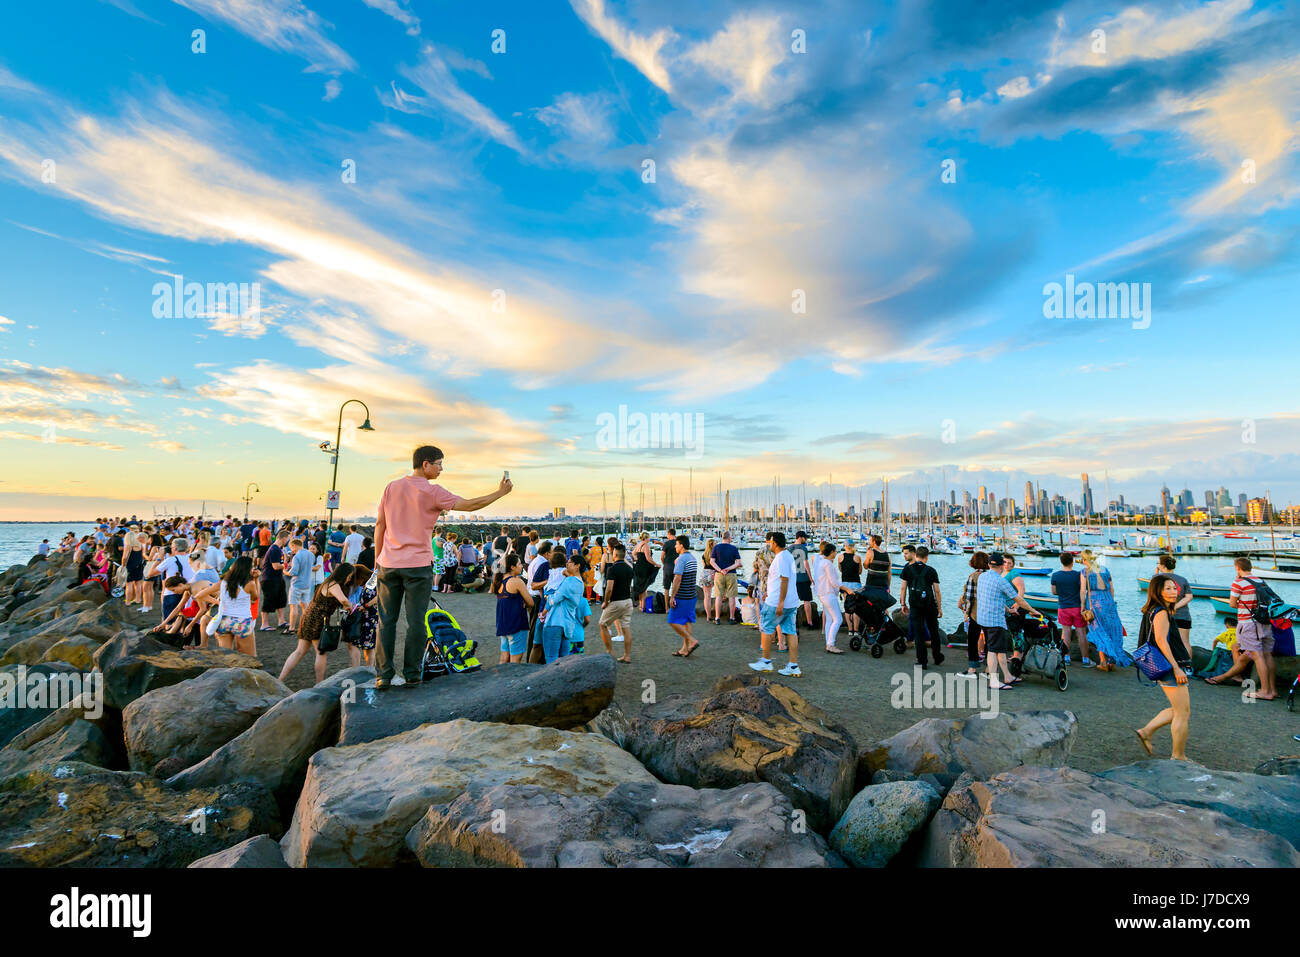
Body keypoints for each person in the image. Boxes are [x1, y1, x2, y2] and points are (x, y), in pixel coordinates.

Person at [373, 445, 513, 689]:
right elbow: (470, 505)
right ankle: (412, 674)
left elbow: (379, 525)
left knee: (386, 621)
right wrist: (499, 493)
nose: (441, 468)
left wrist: (378, 559)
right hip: (417, 566)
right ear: (425, 464)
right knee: (416, 622)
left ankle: (383, 676)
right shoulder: (432, 491)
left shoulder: (391, 487)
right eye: (439, 463)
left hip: (388, 564)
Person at [1133, 575, 1192, 760]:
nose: (1174, 592)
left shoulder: (1152, 610)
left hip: (1162, 666)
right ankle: (1178, 757)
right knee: (1183, 713)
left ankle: (1146, 732)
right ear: (1158, 591)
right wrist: (1176, 668)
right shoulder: (1161, 612)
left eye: (1174, 588)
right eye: (1168, 588)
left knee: (1179, 709)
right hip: (1169, 667)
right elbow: (1160, 641)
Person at [280, 563, 354, 686]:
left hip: (309, 616)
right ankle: (319, 684)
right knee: (320, 652)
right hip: (317, 619)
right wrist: (350, 607)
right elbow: (343, 600)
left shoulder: (327, 582)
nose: (350, 579)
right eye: (350, 576)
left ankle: (280, 679)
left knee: (299, 651)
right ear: (344, 574)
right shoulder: (333, 584)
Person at [976, 552, 1037, 690]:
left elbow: (991, 597)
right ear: (1002, 566)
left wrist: (1008, 610)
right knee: (993, 650)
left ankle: (1007, 676)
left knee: (1000, 650)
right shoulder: (1001, 581)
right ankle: (994, 681)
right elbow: (1018, 599)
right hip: (994, 620)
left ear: (988, 565)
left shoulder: (982, 577)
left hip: (983, 617)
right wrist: (1033, 610)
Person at [749, 531, 802, 676]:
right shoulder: (787, 556)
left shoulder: (781, 558)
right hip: (789, 601)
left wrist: (780, 602)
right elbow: (780, 580)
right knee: (790, 631)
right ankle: (793, 665)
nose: (769, 544)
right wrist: (769, 592)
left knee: (765, 627)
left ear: (775, 543)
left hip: (779, 602)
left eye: (771, 542)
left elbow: (784, 580)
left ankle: (766, 662)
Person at [1228, 557, 1277, 700]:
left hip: (1249, 623)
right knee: (1267, 655)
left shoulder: (1238, 582)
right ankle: (1273, 690)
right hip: (1265, 622)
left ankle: (1265, 691)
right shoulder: (1261, 581)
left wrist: (1243, 605)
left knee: (1257, 656)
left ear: (1237, 568)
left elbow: (1232, 603)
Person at [1080, 550, 1126, 670]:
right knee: (1112, 630)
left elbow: (1082, 591)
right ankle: (1113, 662)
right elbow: (1112, 589)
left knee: (1098, 631)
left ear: (1085, 560)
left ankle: (1103, 662)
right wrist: (1111, 602)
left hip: (1095, 603)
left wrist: (1082, 606)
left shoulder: (1084, 572)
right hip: (1109, 601)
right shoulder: (1105, 570)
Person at [900, 545, 943, 667]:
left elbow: (903, 588)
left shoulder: (907, 570)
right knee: (934, 631)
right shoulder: (931, 570)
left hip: (915, 606)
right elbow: (937, 591)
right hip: (929, 605)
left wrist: (903, 603)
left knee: (918, 633)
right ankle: (937, 657)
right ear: (926, 557)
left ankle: (922, 661)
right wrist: (939, 607)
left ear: (916, 555)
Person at [540, 553, 585, 663]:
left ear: (577, 565)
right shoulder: (580, 583)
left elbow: (553, 600)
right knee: (564, 658)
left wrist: (547, 596)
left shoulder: (569, 581)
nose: (567, 564)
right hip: (568, 623)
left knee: (551, 657)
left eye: (569, 562)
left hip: (555, 621)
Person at [211, 555, 259, 656]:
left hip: (224, 620)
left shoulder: (224, 582)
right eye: (252, 567)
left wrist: (216, 602)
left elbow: (201, 594)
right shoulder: (249, 583)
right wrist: (256, 579)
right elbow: (255, 599)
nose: (253, 569)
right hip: (242, 621)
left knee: (226, 657)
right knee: (249, 657)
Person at [1051, 552, 1093, 666]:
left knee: (1065, 633)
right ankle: (1085, 659)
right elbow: (1083, 589)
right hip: (1078, 607)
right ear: (1072, 562)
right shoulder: (1078, 575)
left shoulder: (1055, 575)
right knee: (1081, 633)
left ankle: (1066, 657)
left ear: (1061, 561)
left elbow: (1054, 591)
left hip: (1063, 607)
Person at [493, 553, 534, 664]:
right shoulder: (517, 582)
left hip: (503, 624)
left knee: (504, 658)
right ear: (512, 567)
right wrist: (524, 602)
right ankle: (512, 681)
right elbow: (531, 602)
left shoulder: (499, 581)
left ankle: (499, 680)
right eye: (519, 564)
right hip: (516, 624)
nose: (521, 566)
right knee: (515, 660)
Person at [599, 541, 634, 662]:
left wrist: (605, 601)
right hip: (628, 601)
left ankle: (610, 651)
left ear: (615, 555)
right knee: (626, 627)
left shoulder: (612, 569)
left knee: (602, 624)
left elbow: (609, 588)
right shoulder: (629, 569)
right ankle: (627, 656)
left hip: (616, 602)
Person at [1155, 554, 1194, 663]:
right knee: (1185, 641)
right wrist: (1175, 606)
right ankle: (1188, 667)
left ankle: (1165, 665)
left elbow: (1153, 592)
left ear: (1162, 566)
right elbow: (1189, 597)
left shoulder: (1157, 578)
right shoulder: (1183, 579)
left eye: (1158, 564)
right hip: (1183, 615)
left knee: (1163, 641)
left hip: (1163, 615)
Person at [814, 541, 849, 654]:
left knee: (829, 619)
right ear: (832, 552)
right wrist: (847, 589)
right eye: (835, 551)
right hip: (828, 594)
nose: (836, 553)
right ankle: (831, 644)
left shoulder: (821, 562)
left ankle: (828, 643)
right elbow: (834, 582)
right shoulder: (828, 564)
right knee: (838, 619)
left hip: (823, 593)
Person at [668, 535, 700, 658]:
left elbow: (677, 578)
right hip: (692, 595)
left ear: (681, 545)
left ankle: (692, 640)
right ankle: (685, 649)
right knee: (686, 621)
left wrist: (672, 596)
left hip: (682, 596)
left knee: (672, 620)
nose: (675, 546)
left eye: (676, 544)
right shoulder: (692, 558)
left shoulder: (681, 559)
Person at [957, 551, 988, 676]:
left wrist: (966, 612)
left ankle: (972, 669)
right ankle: (989, 670)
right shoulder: (991, 575)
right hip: (988, 612)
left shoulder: (973, 576)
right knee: (989, 641)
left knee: (972, 640)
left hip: (975, 613)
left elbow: (969, 597)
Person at [346, 565, 378, 668]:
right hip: (367, 618)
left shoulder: (374, 582)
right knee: (367, 646)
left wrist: (366, 605)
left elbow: (380, 596)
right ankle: (369, 668)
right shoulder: (368, 584)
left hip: (372, 618)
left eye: (357, 580)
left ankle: (370, 669)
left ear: (361, 576)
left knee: (369, 646)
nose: (357, 584)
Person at [258, 530, 289, 631]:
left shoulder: (277, 549)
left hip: (277, 578)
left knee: (281, 599)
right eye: (287, 538)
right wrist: (286, 565)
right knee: (268, 601)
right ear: (284, 538)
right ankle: (264, 624)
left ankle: (281, 621)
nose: (288, 541)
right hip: (270, 579)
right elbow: (275, 566)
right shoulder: (274, 549)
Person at [710, 531, 743, 624]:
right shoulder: (734, 548)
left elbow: (712, 561)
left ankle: (717, 618)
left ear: (722, 538)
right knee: (732, 597)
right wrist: (728, 569)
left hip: (719, 574)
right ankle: (732, 618)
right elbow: (738, 563)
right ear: (729, 538)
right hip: (731, 574)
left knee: (718, 596)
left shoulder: (716, 547)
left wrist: (720, 570)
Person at [286, 537, 315, 632]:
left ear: (294, 545)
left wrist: (285, 572)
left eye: (291, 547)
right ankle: (305, 626)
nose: (292, 550)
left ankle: (291, 628)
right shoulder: (311, 554)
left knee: (293, 606)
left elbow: (294, 572)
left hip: (297, 584)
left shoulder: (297, 557)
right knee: (305, 606)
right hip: (307, 584)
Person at [789, 530, 815, 628]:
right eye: (805, 538)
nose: (806, 539)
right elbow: (806, 563)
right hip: (803, 577)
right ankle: (809, 622)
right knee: (807, 600)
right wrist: (811, 578)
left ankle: (793, 622)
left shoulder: (789, 548)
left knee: (793, 601)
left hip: (793, 578)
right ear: (800, 537)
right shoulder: (803, 548)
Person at [839, 543, 863, 634]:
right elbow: (860, 571)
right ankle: (856, 630)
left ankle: (850, 629)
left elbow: (840, 569)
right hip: (856, 584)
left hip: (845, 584)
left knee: (847, 607)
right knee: (856, 608)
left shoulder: (840, 557)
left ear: (845, 546)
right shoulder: (857, 557)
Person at [631, 532, 658, 610]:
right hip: (644, 568)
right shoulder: (646, 545)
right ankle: (643, 606)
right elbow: (648, 558)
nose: (649, 539)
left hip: (638, 567)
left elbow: (633, 553)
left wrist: (637, 559)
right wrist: (656, 564)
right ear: (646, 538)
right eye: (649, 537)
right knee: (644, 587)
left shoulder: (638, 545)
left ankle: (641, 606)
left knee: (640, 586)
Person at [699, 538, 716, 623]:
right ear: (712, 545)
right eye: (715, 544)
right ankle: (711, 616)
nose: (716, 545)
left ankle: (708, 616)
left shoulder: (704, 554)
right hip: (712, 573)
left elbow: (704, 565)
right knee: (709, 595)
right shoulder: (715, 554)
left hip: (704, 573)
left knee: (706, 596)